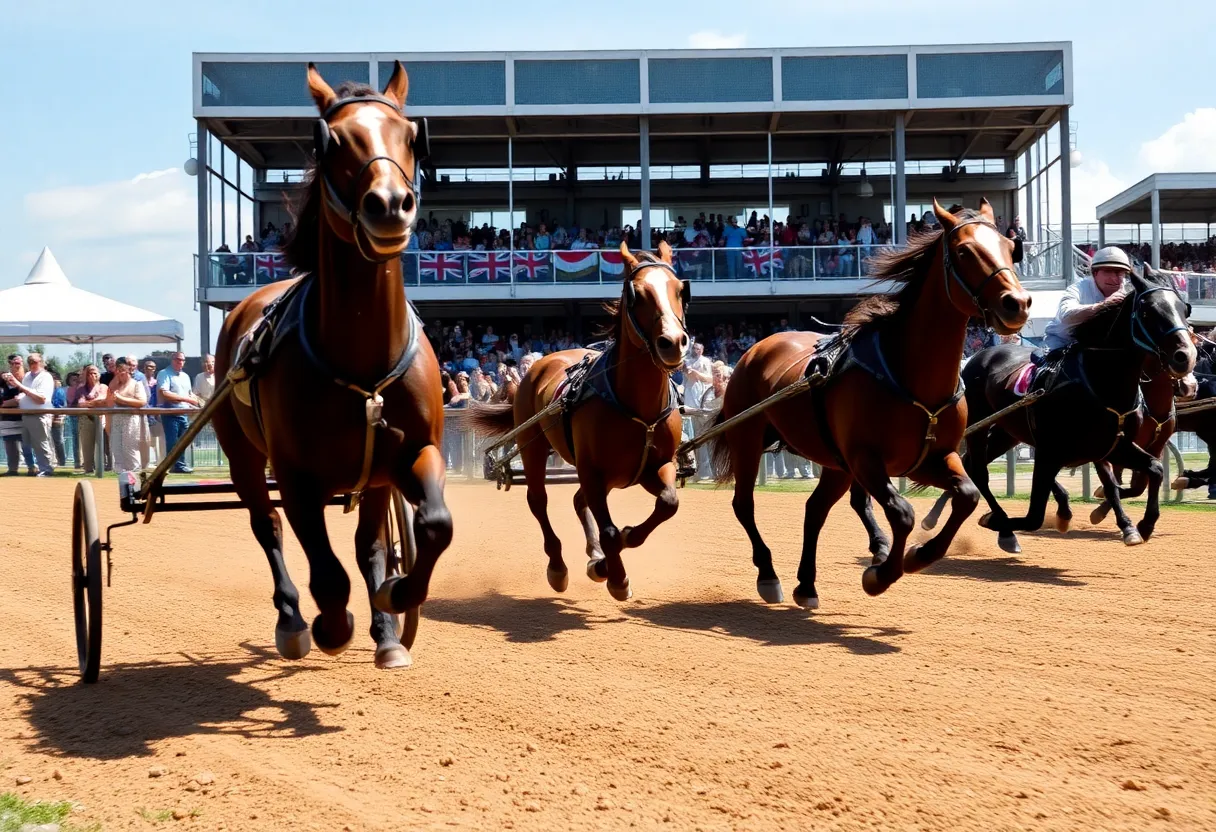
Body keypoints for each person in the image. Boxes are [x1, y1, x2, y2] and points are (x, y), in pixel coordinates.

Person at [1042, 246, 1132, 353]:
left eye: (1119, 272)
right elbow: (1065, 315)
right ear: (1094, 273)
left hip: (1102, 347)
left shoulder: (1130, 291)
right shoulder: (1078, 288)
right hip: (1063, 342)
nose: (1114, 278)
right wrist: (1102, 305)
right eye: (1108, 271)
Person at [3, 352, 56, 476]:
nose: (31, 364)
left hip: (39, 414)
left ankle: (47, 469)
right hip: (26, 414)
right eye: (29, 361)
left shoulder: (45, 377)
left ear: (41, 362)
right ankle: (39, 469)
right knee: (28, 445)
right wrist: (19, 396)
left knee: (41, 443)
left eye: (34, 361)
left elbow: (41, 398)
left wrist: (19, 385)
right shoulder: (27, 376)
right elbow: (26, 393)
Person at [156, 352, 200, 474]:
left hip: (184, 413)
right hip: (170, 413)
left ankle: (180, 465)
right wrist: (188, 399)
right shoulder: (164, 373)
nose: (180, 362)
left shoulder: (185, 376)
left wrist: (195, 401)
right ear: (172, 360)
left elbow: (190, 394)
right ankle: (175, 466)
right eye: (178, 359)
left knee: (183, 441)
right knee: (172, 441)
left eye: (182, 360)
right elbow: (165, 393)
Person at [105, 357, 147, 474]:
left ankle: (135, 475)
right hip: (116, 418)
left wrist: (121, 398)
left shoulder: (136, 384)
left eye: (122, 370)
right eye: (117, 370)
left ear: (128, 371)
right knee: (116, 449)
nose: (119, 373)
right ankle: (121, 475)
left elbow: (142, 401)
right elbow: (109, 404)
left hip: (131, 419)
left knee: (130, 449)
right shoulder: (114, 384)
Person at [76, 364, 108, 474]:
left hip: (100, 418)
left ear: (99, 374)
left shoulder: (103, 387)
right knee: (86, 444)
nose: (92, 375)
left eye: (95, 373)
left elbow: (103, 400)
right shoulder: (81, 388)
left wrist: (89, 402)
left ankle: (102, 468)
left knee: (101, 444)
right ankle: (88, 469)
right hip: (86, 418)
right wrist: (95, 403)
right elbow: (80, 404)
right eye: (89, 373)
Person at [1, 354, 27, 475]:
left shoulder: (27, 378)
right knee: (10, 443)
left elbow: (28, 395)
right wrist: (8, 403)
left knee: (27, 443)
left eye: (20, 363)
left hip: (26, 415)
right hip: (7, 416)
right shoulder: (3, 380)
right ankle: (12, 469)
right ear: (10, 364)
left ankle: (33, 467)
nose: (17, 366)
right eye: (15, 363)